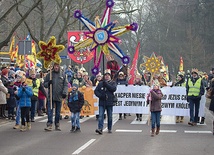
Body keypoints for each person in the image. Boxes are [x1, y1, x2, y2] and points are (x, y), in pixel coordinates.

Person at [44, 63, 68, 131]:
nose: (56, 67)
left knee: (58, 112)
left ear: (59, 66)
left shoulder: (63, 75)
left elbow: (65, 84)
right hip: (51, 95)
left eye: (57, 66)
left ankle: (57, 124)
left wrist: (64, 92)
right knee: (50, 110)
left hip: (59, 95)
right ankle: (49, 124)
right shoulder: (50, 75)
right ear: (53, 66)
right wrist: (48, 83)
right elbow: (44, 84)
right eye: (55, 66)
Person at [95, 69, 117, 134]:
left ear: (110, 76)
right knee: (101, 116)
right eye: (106, 75)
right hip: (102, 102)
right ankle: (100, 128)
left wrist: (106, 84)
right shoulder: (101, 84)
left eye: (108, 75)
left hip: (109, 102)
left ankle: (109, 128)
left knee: (110, 116)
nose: (107, 76)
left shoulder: (113, 83)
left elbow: (113, 89)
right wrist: (101, 96)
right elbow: (96, 91)